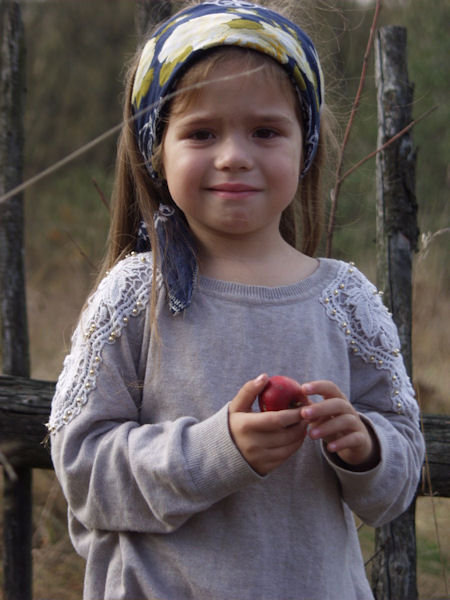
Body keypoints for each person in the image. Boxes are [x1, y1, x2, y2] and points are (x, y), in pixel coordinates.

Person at [48, 1, 425, 599]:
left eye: (266, 131)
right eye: (201, 133)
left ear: (305, 147)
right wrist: (216, 449)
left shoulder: (346, 300)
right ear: (156, 150)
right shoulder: (135, 296)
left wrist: (365, 446)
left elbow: (398, 479)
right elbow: (83, 472)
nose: (234, 155)